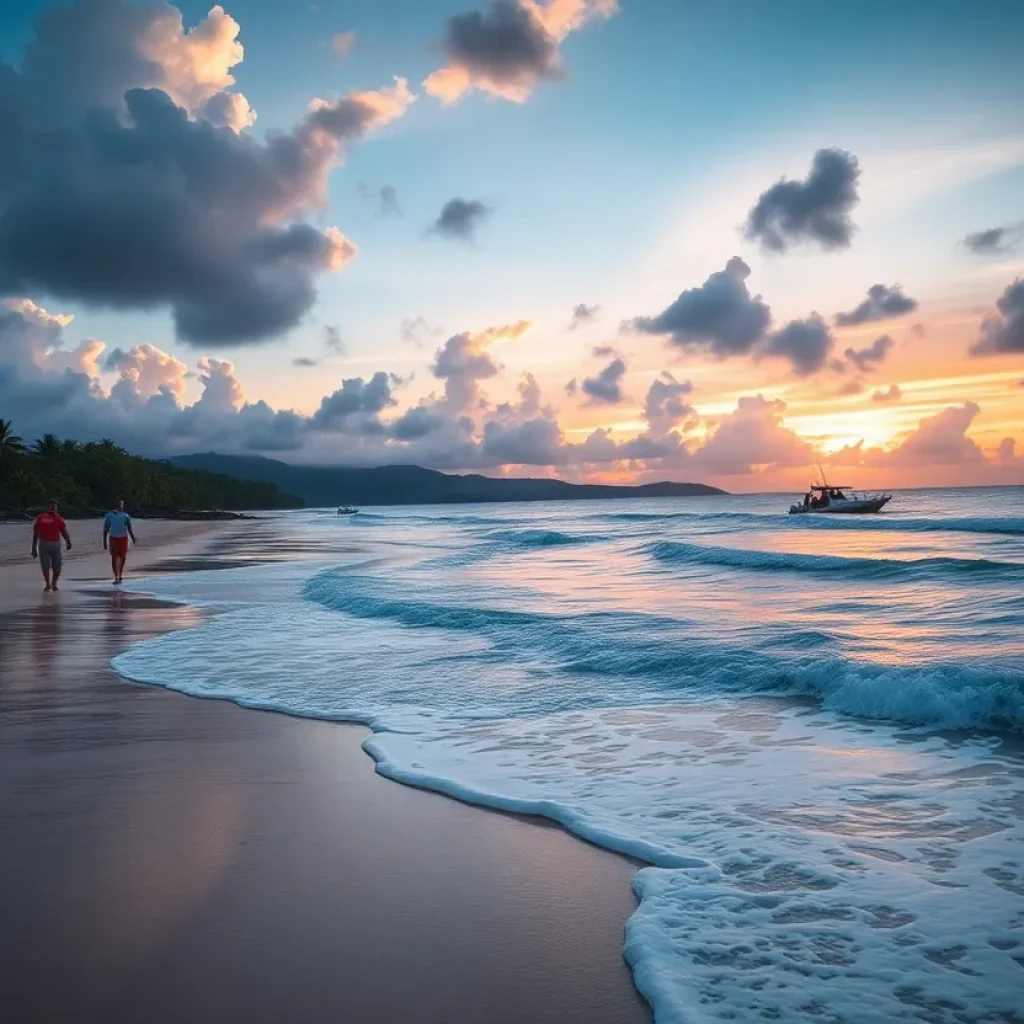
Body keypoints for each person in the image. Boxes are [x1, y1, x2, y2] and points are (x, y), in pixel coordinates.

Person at [31, 500, 72, 592]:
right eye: (53, 506)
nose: (54, 508)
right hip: (48, 544)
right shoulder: (43, 518)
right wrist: (34, 548)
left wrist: (68, 541)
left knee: (52, 566)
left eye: (55, 506)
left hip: (50, 544)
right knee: (50, 566)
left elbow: (63, 531)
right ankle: (49, 584)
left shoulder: (51, 518)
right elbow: (36, 533)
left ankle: (51, 584)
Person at [103, 499, 136, 585]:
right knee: (114, 557)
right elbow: (106, 529)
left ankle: (120, 574)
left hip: (123, 538)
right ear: (116, 505)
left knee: (122, 557)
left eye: (122, 505)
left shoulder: (126, 516)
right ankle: (116, 577)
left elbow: (129, 528)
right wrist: (104, 541)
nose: (121, 506)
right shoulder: (109, 515)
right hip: (113, 538)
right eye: (120, 504)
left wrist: (133, 538)